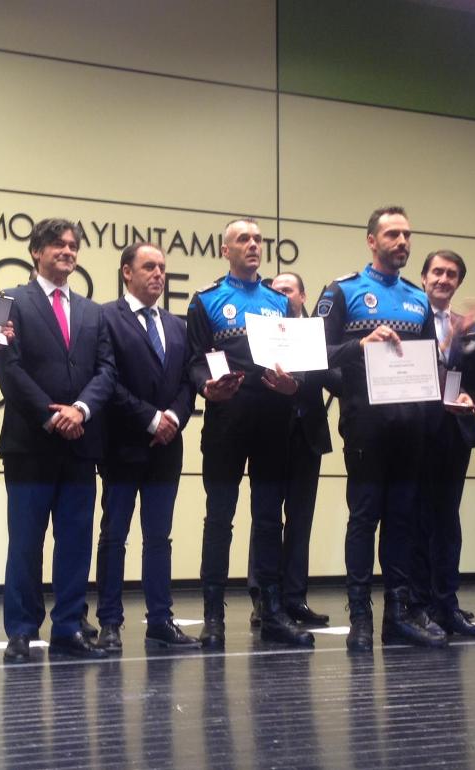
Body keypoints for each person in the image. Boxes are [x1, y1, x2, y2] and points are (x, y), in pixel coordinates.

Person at [315, 205, 444, 650]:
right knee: (365, 516)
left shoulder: (417, 297)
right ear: (371, 240)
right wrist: (359, 345)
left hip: (411, 427)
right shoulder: (343, 291)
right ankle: (361, 618)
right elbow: (315, 355)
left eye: (407, 235)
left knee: (403, 520)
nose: (402, 242)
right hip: (365, 423)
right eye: (392, 234)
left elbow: (429, 364)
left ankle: (397, 614)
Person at [187, 218, 314, 650]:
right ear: (226, 250)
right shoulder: (205, 300)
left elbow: (297, 360)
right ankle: (214, 617)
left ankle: (273, 611)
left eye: (258, 239)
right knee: (219, 518)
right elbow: (195, 360)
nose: (254, 245)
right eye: (244, 239)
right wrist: (207, 384)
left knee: (266, 520)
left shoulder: (280, 303)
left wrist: (294, 384)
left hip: (274, 422)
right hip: (226, 421)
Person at [0, 217, 117, 663]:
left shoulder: (93, 311)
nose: (67, 251)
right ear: (36, 252)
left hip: (81, 442)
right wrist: (52, 416)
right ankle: (22, 630)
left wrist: (80, 410)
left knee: (74, 540)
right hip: (30, 441)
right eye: (57, 245)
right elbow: (7, 368)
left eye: (72, 246)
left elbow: (107, 370)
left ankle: (68, 627)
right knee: (25, 541)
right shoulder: (6, 301)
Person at [93, 242, 199, 651]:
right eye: (149, 266)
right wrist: (151, 418)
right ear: (127, 272)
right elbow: (106, 380)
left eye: (162, 268)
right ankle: (110, 623)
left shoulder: (177, 325)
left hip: (167, 448)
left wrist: (173, 417)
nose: (158, 274)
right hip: (122, 444)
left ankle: (160, 619)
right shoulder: (105, 317)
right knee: (114, 536)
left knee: (159, 538)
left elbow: (189, 382)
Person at [246, 272, 333, 628]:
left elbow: (335, 378)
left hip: (306, 434)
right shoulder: (260, 333)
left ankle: (295, 598)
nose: (282, 295)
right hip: (267, 433)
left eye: (288, 289)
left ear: (302, 294)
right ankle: (263, 599)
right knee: (265, 521)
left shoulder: (317, 332)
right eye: (275, 290)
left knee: (300, 521)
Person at [416, 250, 475, 636]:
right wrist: (445, 345)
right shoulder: (410, 317)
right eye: (438, 272)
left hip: (455, 429)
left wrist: (468, 344)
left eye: (452, 274)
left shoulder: (467, 325)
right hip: (417, 430)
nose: (444, 279)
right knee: (418, 520)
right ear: (424, 277)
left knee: (448, 521)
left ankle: (447, 604)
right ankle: (419, 605)